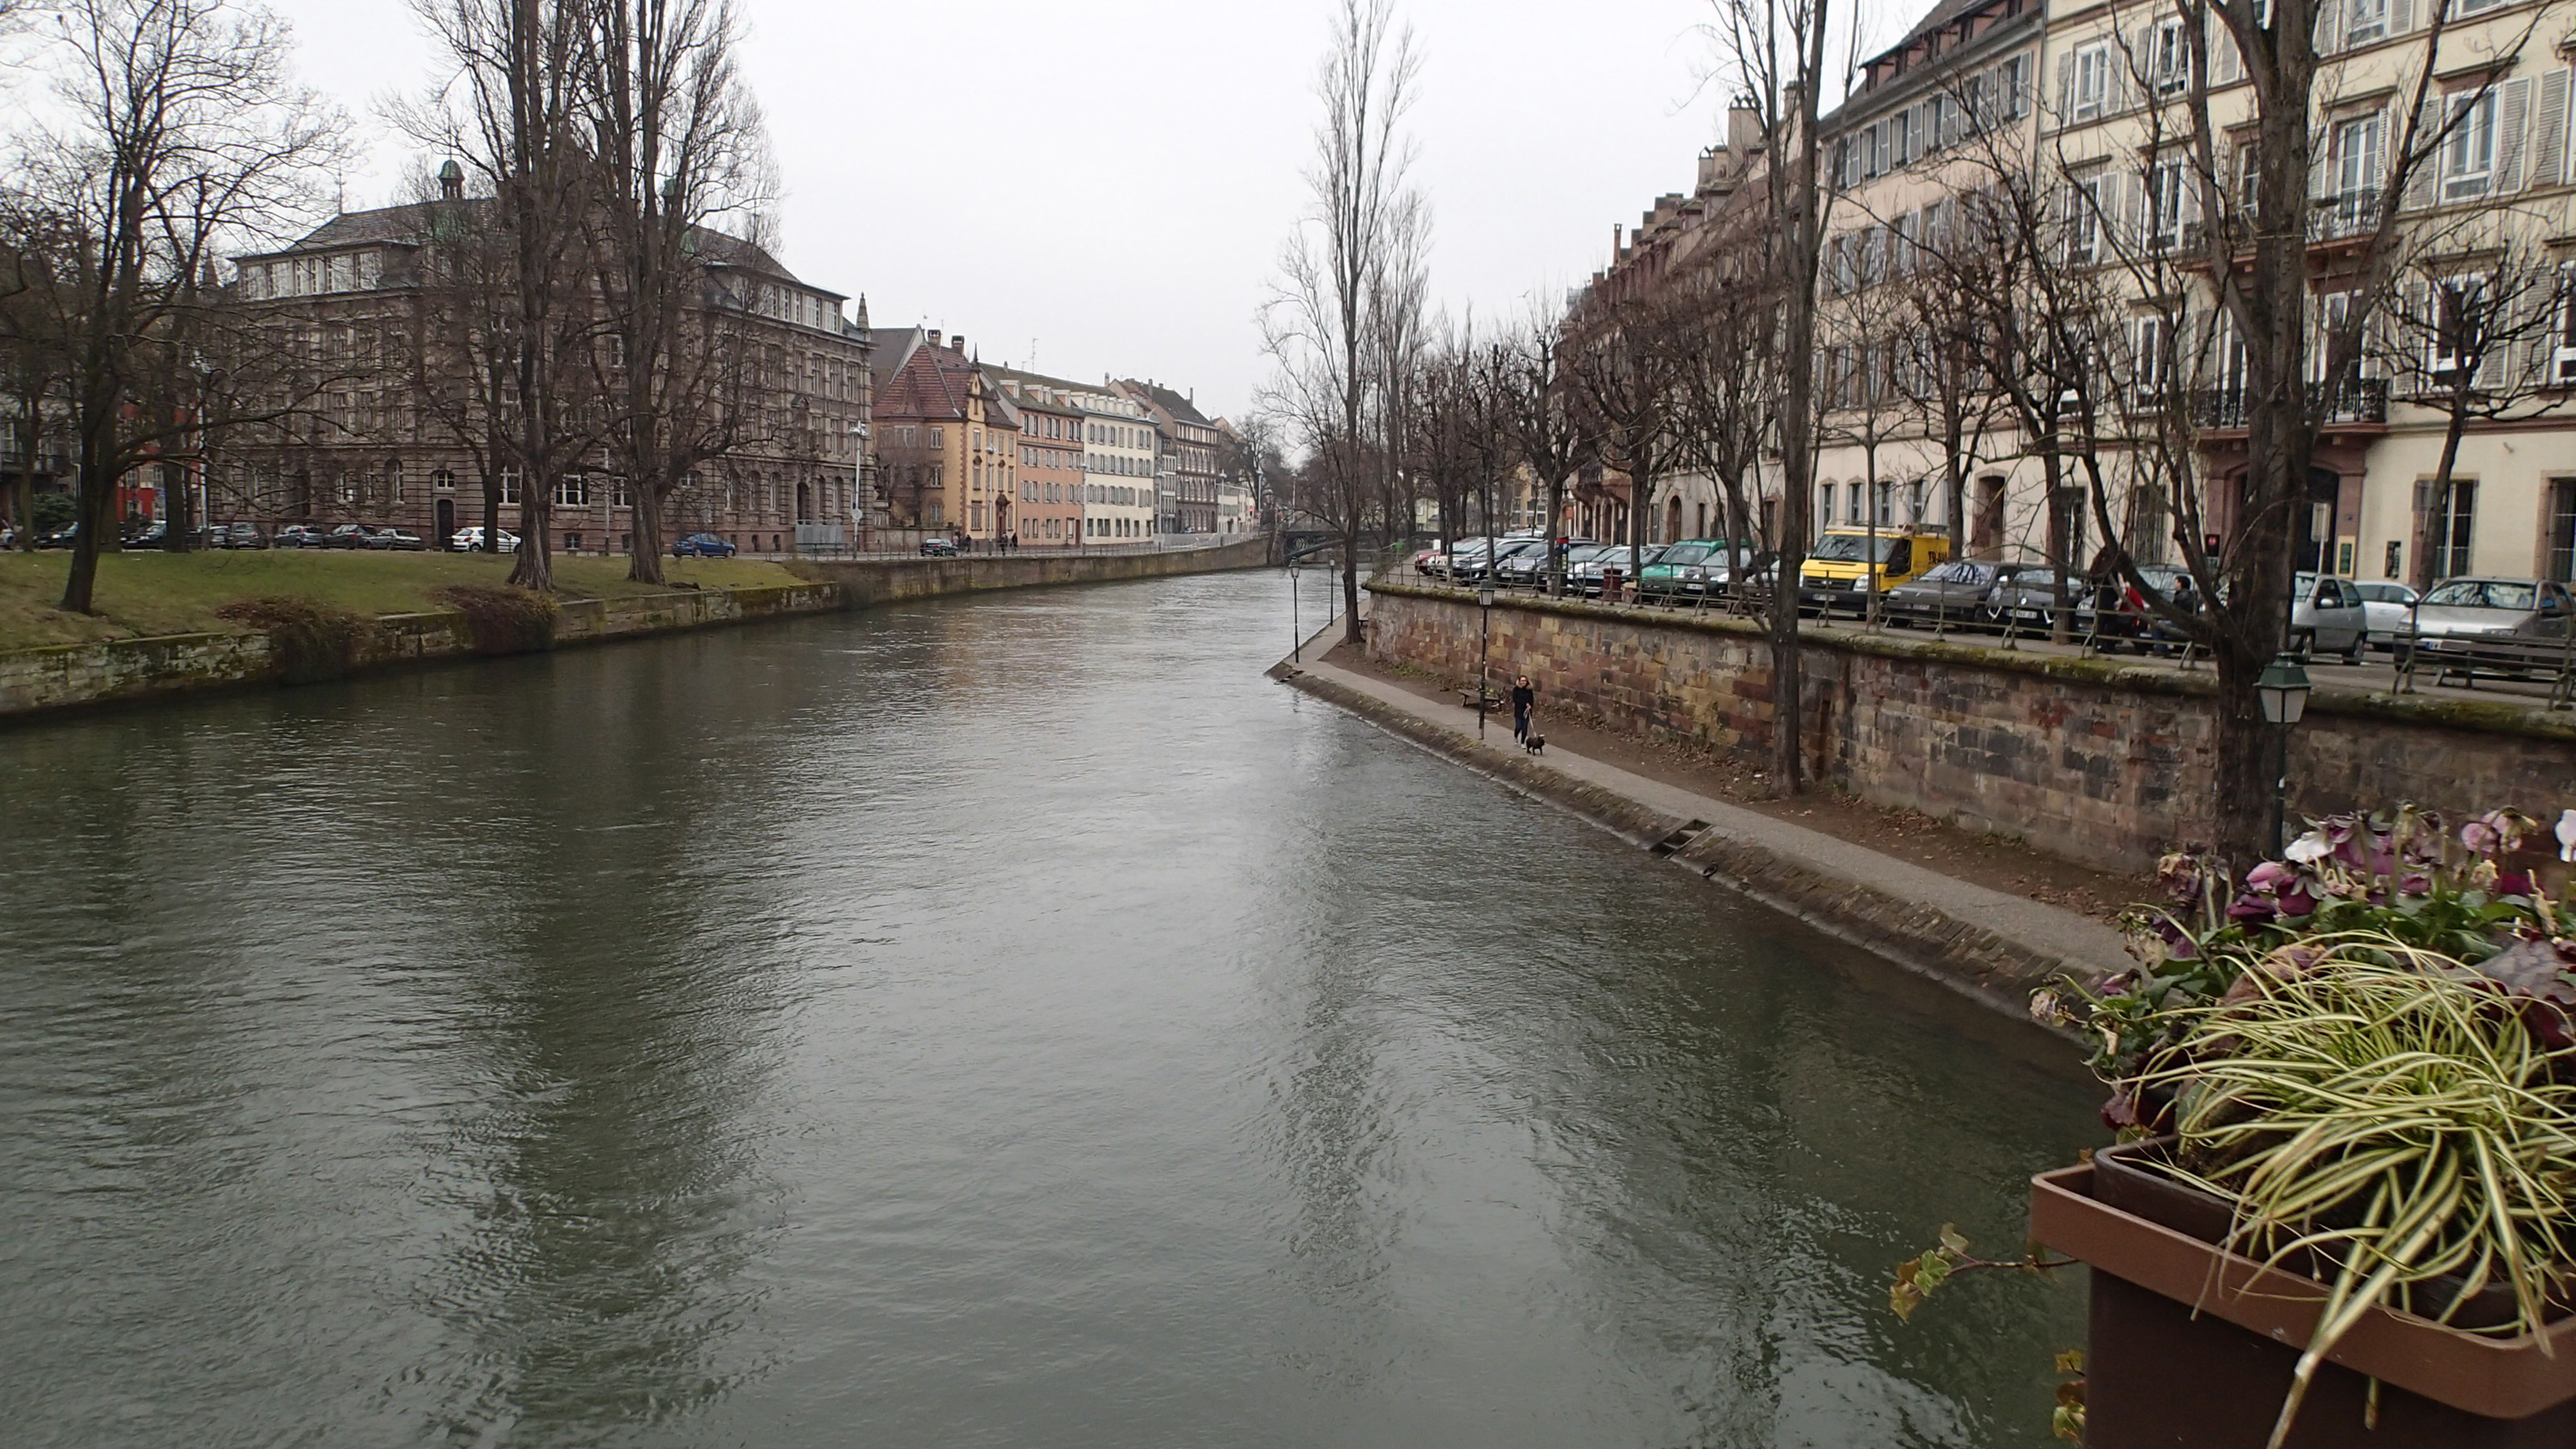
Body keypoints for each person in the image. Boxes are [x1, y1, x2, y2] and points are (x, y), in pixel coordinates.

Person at [1510, 675, 1536, 744]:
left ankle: (1522, 742)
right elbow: (1515, 699)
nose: (1523, 682)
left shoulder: (1529, 690)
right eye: (1522, 681)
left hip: (1527, 711)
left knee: (1524, 728)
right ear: (1519, 681)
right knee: (1518, 726)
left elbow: (1531, 699)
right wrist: (1525, 703)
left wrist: (1530, 705)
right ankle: (1516, 736)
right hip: (1519, 711)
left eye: (1525, 681)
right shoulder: (1516, 689)